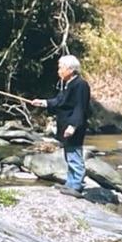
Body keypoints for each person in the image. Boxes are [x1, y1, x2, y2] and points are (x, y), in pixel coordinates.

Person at [32, 55, 91, 197]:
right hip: (66, 125)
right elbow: (60, 101)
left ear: (70, 69)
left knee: (74, 155)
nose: (58, 71)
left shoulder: (81, 85)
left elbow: (80, 107)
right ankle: (70, 183)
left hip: (73, 127)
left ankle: (77, 186)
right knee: (69, 155)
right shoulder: (68, 84)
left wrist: (73, 126)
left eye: (61, 68)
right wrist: (43, 102)